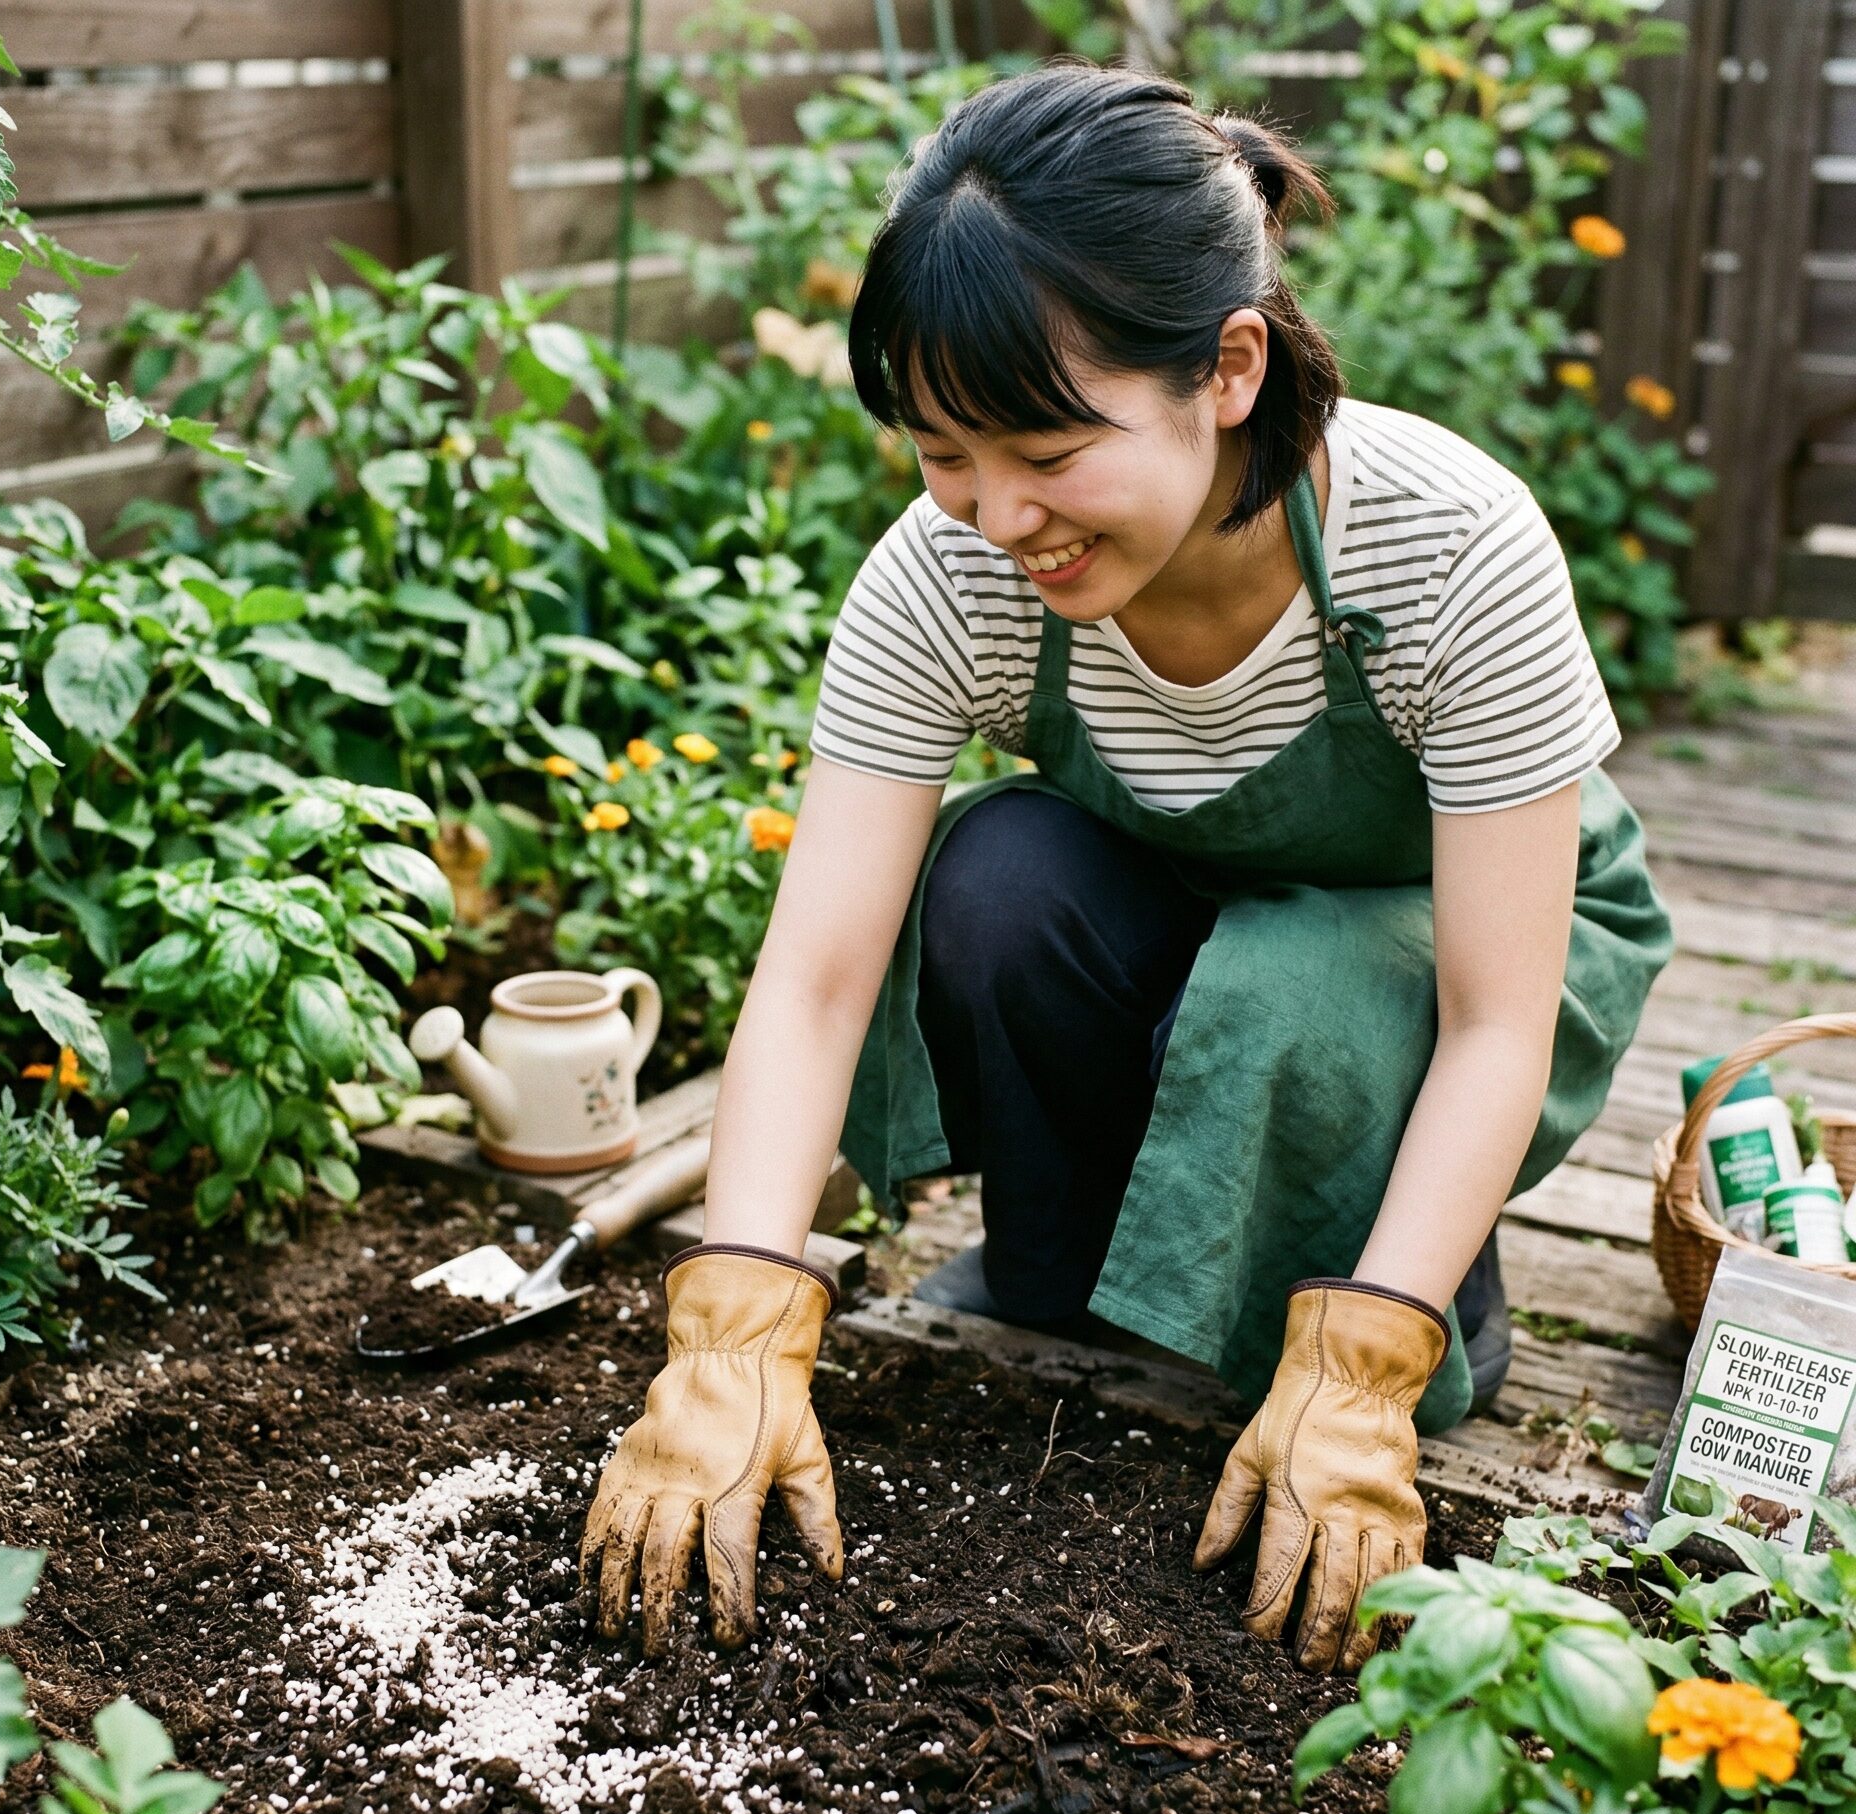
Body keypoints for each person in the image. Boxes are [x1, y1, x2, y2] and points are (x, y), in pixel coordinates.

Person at [580, 62, 1673, 1675]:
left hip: (1447, 950)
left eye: (1041, 446)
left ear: (1228, 367)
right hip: (1191, 890)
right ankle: (1068, 1267)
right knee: (999, 873)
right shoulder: (951, 569)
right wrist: (736, 1328)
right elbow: (813, 981)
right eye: (941, 452)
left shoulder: (1446, 544)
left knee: (1301, 986)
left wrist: (1371, 1365)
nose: (995, 512)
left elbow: (1499, 1017)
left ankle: (1402, 1286)